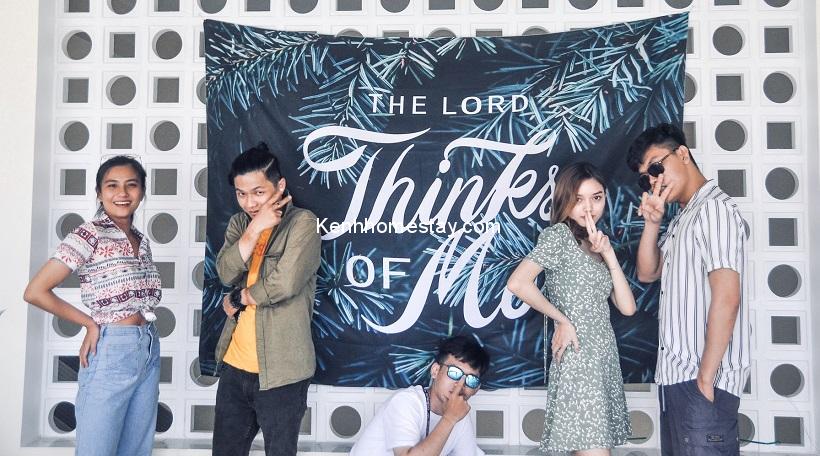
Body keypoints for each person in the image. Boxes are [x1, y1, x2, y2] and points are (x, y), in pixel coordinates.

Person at [23, 156, 161, 456]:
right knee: (96, 450)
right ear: (99, 192)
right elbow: (35, 291)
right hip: (112, 350)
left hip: (149, 346)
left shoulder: (141, 240)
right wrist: (89, 323)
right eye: (112, 186)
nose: (122, 193)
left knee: (136, 450)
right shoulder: (89, 234)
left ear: (142, 191)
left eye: (131, 185)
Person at [627, 123, 749, 455]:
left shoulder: (714, 209)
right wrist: (653, 223)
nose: (654, 182)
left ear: (682, 153)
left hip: (701, 382)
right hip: (676, 380)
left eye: (656, 168)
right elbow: (648, 273)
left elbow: (727, 296)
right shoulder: (684, 216)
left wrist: (705, 379)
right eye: (646, 179)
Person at [507, 162, 636, 455]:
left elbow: (627, 307)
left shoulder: (597, 243)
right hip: (579, 359)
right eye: (579, 199)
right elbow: (518, 283)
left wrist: (608, 254)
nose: (589, 208)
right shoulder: (559, 236)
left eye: (596, 197)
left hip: (602, 359)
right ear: (565, 200)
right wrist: (562, 320)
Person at [211, 142, 321, 456]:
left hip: (282, 370)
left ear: (280, 186)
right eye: (241, 194)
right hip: (234, 366)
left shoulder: (303, 223)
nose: (249, 202)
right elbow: (225, 272)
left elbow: (285, 283)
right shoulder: (240, 224)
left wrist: (241, 297)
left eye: (258, 192)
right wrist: (255, 228)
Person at [350, 335, 490, 456]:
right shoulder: (406, 401)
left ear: (476, 389)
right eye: (454, 372)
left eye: (471, 380)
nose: (460, 384)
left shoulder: (459, 416)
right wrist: (449, 418)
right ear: (435, 371)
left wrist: (453, 417)